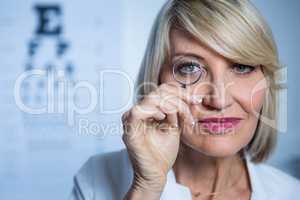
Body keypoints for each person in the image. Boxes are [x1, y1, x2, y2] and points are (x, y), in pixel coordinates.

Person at [70, 0, 300, 199]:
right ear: (157, 80)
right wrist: (146, 188)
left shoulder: (291, 193)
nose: (219, 100)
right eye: (190, 67)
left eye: (241, 67)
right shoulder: (96, 178)